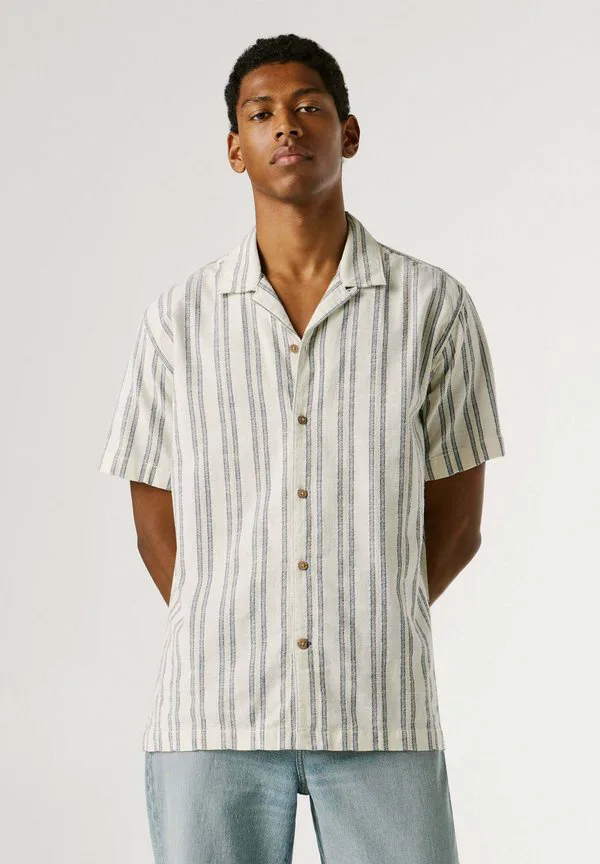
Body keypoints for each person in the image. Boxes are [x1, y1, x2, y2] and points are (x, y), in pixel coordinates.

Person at [98, 32, 506, 864]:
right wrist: (241, 620)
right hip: (211, 711)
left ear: (347, 133)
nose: (286, 125)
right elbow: (153, 525)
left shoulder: (432, 307)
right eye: (262, 114)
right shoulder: (179, 319)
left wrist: (361, 613)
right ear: (235, 149)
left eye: (308, 107)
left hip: (380, 709)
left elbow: (458, 525)